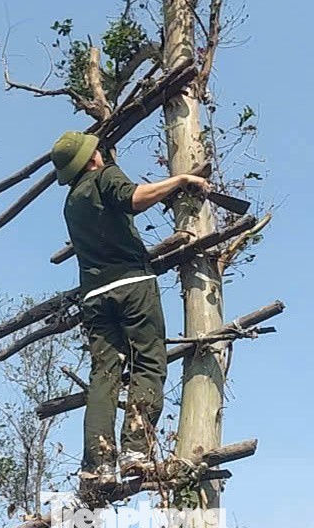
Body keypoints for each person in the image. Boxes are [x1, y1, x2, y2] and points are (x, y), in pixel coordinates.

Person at [50, 131, 211, 484]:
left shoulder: (71, 202)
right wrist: (182, 179)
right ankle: (136, 452)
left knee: (103, 376)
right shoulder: (105, 174)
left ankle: (97, 466)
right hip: (131, 285)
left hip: (93, 297)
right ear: (92, 157)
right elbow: (133, 198)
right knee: (148, 362)